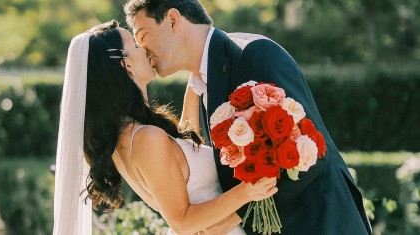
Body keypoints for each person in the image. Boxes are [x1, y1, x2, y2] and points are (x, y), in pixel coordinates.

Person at [124, 0, 372, 234]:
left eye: (143, 37)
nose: (142, 51)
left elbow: (311, 155)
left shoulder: (252, 53)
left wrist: (234, 216)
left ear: (172, 20)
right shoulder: (201, 84)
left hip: (320, 222)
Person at [52, 20, 277, 235]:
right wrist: (247, 191)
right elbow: (182, 221)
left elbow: (182, 161)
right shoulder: (146, 138)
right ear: (126, 64)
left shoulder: (127, 135)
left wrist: (195, 81)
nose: (146, 50)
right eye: (136, 44)